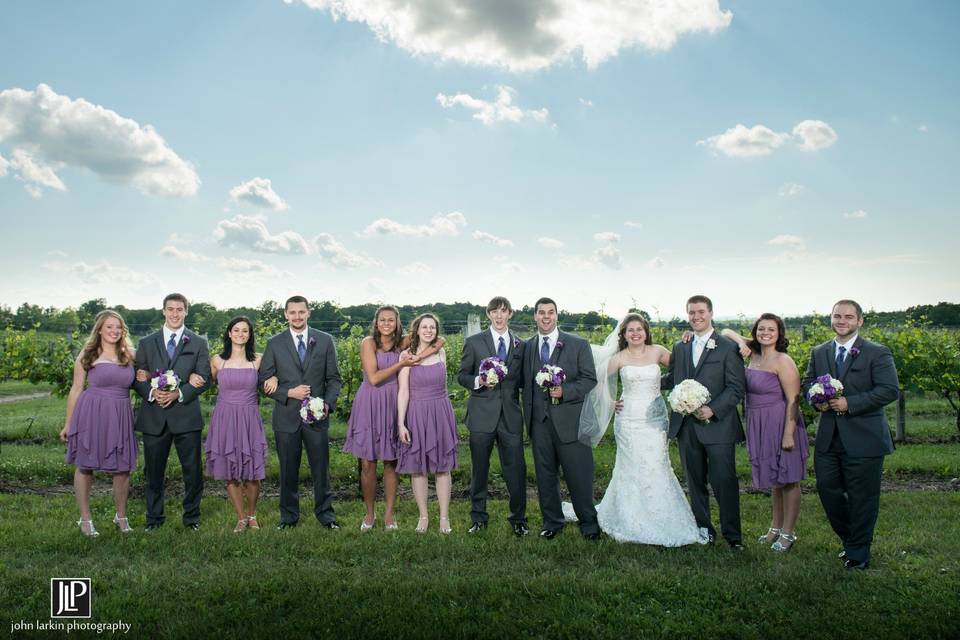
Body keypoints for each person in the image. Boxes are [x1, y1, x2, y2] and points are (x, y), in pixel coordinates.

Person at [575, 313, 704, 546]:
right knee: (630, 466)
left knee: (657, 464)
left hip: (655, 420)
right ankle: (629, 517)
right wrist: (608, 402)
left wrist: (689, 338)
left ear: (646, 331)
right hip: (628, 421)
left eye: (639, 329)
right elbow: (595, 379)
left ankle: (662, 515)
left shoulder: (658, 351)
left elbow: (684, 363)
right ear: (623, 335)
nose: (635, 333)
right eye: (630, 330)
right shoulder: (619, 357)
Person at [801, 299, 899, 570]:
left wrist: (850, 403)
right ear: (831, 319)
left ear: (859, 321)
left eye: (848, 316)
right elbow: (809, 383)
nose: (841, 320)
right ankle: (851, 539)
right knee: (828, 491)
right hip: (829, 437)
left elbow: (889, 390)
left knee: (862, 497)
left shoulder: (877, 352)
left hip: (865, 438)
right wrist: (815, 399)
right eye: (837, 316)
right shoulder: (819, 352)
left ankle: (858, 551)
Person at [342, 306, 444, 531]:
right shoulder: (368, 342)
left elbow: (440, 340)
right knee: (368, 463)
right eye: (382, 320)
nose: (386, 324)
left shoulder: (403, 342)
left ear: (397, 323)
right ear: (376, 322)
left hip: (392, 404)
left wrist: (417, 356)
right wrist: (402, 363)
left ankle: (389, 515)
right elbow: (375, 377)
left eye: (391, 320)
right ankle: (370, 514)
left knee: (391, 462)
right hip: (369, 403)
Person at [662, 295, 746, 549]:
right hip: (687, 427)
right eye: (691, 313)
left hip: (719, 427)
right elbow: (674, 378)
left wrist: (714, 409)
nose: (696, 317)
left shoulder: (727, 347)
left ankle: (733, 537)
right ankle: (704, 530)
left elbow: (736, 387)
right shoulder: (681, 346)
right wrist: (641, 379)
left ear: (710, 313)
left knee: (724, 482)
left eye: (700, 312)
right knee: (694, 482)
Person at [720, 314, 808, 552]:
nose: (765, 333)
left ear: (779, 333)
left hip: (780, 421)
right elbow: (726, 330)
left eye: (771, 329)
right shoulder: (754, 353)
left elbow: (793, 399)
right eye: (761, 329)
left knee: (789, 479)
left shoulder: (783, 360)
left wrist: (788, 433)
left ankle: (788, 534)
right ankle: (775, 528)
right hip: (759, 423)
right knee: (776, 480)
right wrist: (740, 342)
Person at [259, 295, 342, 530]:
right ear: (285, 314)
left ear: (308, 313)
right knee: (287, 470)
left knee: (320, 469)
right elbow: (263, 380)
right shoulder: (274, 343)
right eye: (292, 312)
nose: (297, 316)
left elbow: (334, 379)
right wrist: (288, 392)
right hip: (286, 417)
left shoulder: (324, 341)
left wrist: (327, 404)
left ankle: (326, 516)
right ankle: (288, 517)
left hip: (317, 418)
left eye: (301, 312)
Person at [521, 297, 599, 540]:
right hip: (539, 423)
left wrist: (566, 391)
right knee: (545, 476)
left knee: (579, 475)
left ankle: (588, 523)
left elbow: (589, 379)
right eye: (541, 312)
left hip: (572, 422)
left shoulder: (577, 344)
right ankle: (552, 522)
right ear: (534, 316)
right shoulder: (528, 347)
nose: (546, 316)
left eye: (551, 312)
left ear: (557, 315)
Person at [133, 293, 211, 531]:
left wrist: (180, 393)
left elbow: (205, 378)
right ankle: (154, 519)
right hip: (154, 416)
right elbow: (137, 377)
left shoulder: (197, 342)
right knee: (153, 472)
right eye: (170, 309)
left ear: (186, 311)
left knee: (192, 472)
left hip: (186, 415)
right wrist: (150, 392)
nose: (175, 314)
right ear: (163, 311)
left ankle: (192, 519)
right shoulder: (147, 343)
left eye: (180, 309)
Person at [59, 310, 139, 536]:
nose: (114, 331)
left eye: (118, 327)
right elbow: (76, 390)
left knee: (123, 467)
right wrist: (68, 424)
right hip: (92, 413)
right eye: (109, 327)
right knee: (85, 465)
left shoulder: (130, 355)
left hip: (121, 413)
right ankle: (85, 520)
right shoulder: (88, 354)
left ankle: (121, 517)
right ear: (100, 330)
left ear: (123, 330)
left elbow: (147, 376)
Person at [457, 296, 528, 536]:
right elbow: (462, 375)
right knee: (480, 469)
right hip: (481, 416)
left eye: (503, 311)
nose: (499, 316)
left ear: (510, 314)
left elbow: (524, 382)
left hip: (510, 417)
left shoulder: (521, 345)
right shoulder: (474, 342)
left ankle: (519, 519)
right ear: (488, 315)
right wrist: (479, 380)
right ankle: (478, 518)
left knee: (516, 469)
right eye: (494, 312)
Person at [205, 316, 272, 533]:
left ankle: (252, 515)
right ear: (229, 333)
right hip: (224, 417)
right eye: (236, 330)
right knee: (230, 470)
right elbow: (207, 381)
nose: (240, 334)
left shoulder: (259, 360)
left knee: (252, 470)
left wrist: (276, 379)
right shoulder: (217, 361)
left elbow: (269, 379)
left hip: (249, 417)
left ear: (250, 334)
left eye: (245, 331)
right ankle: (241, 517)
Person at [396, 313, 458, 534]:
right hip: (417, 413)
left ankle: (444, 517)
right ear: (417, 329)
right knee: (418, 469)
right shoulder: (406, 355)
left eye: (432, 327)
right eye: (425, 327)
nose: (429, 330)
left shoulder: (441, 351)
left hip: (440, 412)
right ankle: (423, 516)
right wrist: (401, 423)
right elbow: (403, 391)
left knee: (443, 468)